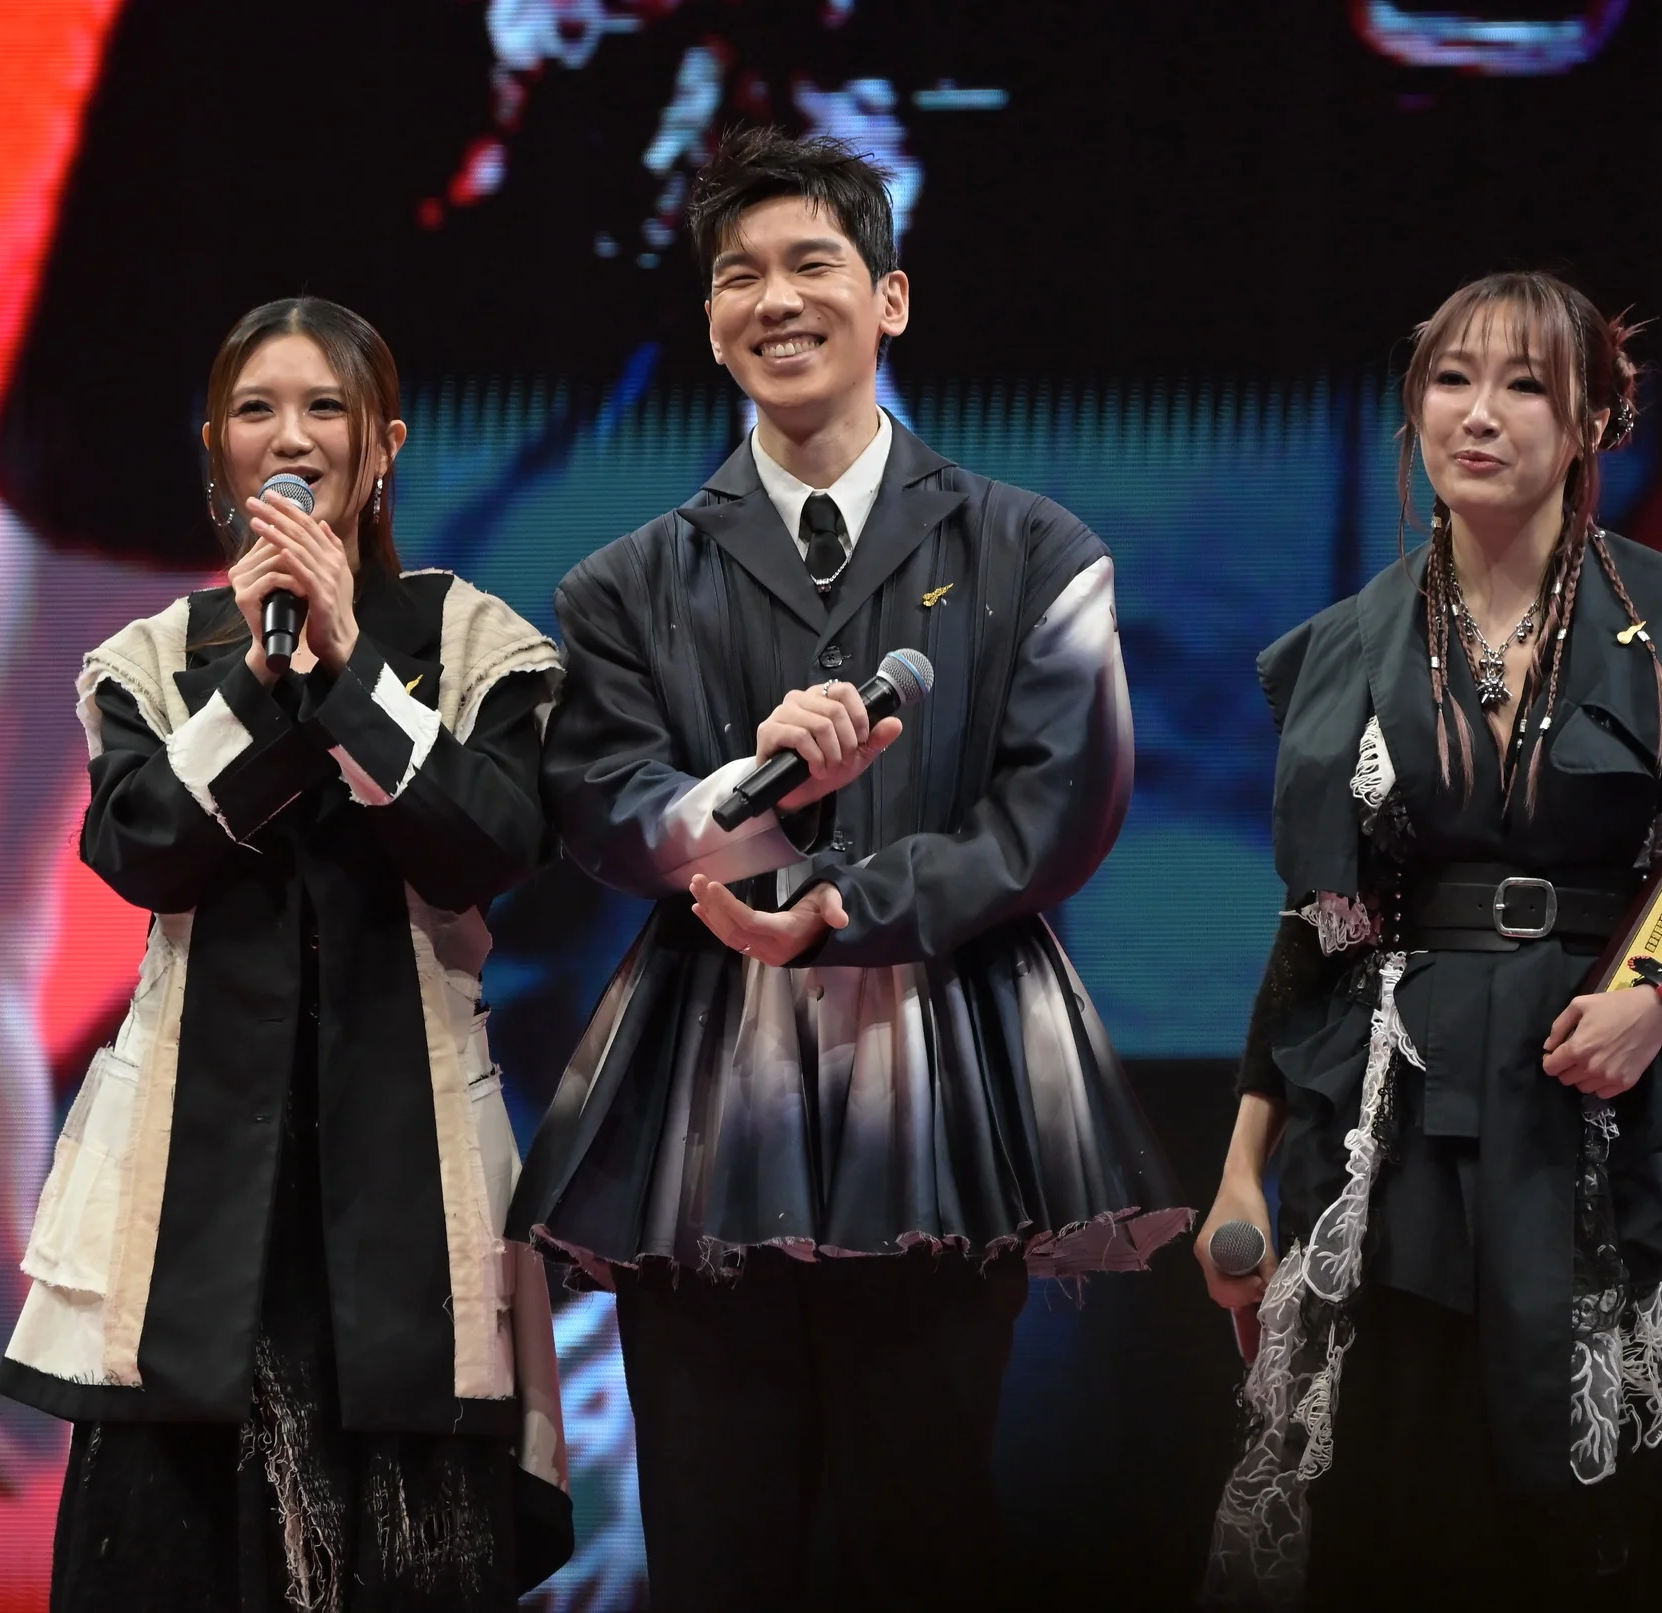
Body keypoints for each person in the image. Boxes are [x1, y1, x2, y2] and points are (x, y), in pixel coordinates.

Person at [507, 126, 1188, 1611]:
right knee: (715, 1536)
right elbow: (602, 807)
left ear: (890, 298)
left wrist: (846, 908)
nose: (775, 299)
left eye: (811, 263)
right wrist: (743, 806)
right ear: (707, 322)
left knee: (918, 1526)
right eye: (737, 275)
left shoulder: (1034, 552)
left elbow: (1063, 809)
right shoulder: (620, 584)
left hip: (941, 1073)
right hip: (705, 1089)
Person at [1197, 272, 1662, 1609]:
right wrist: (1240, 1171)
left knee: (1646, 1517)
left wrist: (1661, 995)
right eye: (1451, 379)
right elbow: (1315, 924)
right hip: (1405, 1108)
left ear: (1591, 421)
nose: (1478, 414)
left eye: (1524, 385)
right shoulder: (1344, 645)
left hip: (1616, 1098)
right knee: (1402, 1495)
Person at [0, 299, 570, 1612]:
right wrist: (257, 685)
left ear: (385, 445)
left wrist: (351, 666)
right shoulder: (155, 659)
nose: (291, 438)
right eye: (257, 410)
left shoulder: (473, 645)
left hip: (411, 1191)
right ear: (216, 446)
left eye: (325, 408)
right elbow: (142, 849)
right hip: (190, 1198)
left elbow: (484, 846)